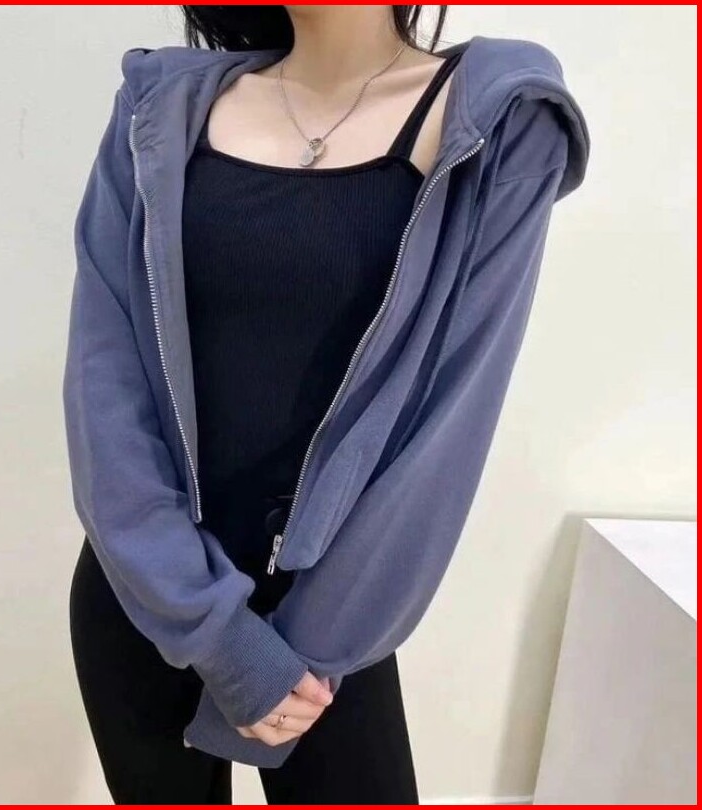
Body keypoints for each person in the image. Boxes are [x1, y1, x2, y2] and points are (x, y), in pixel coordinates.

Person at [62, 4, 590, 805]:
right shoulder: (156, 109)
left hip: (327, 635)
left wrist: (298, 648)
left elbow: (446, 429)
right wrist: (216, 634)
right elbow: (104, 393)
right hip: (144, 597)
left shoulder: (497, 118)